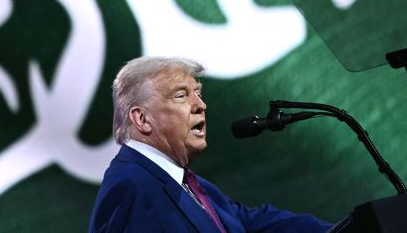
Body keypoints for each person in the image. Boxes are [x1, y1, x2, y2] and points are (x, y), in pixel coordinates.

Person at [88, 56, 333, 232]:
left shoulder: (190, 184)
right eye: (181, 95)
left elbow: (250, 223)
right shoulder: (130, 186)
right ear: (142, 119)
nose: (201, 105)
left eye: (198, 93)